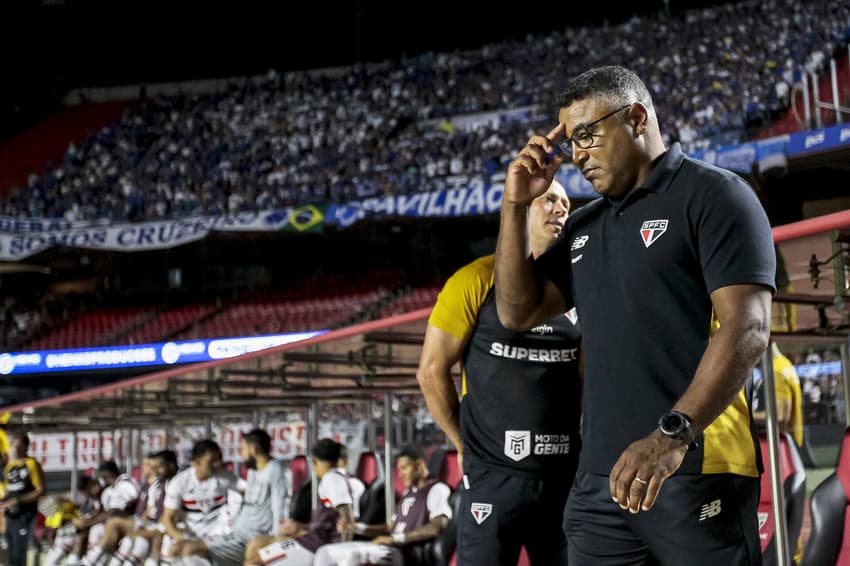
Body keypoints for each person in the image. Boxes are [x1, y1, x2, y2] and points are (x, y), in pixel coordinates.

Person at [494, 64, 775, 565]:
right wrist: (515, 205)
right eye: (570, 142)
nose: (577, 154)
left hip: (692, 466)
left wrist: (672, 435)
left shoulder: (716, 195)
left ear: (638, 118)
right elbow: (518, 311)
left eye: (587, 135)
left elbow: (747, 328)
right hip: (602, 483)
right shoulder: (585, 225)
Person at [418, 179, 581, 565]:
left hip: (563, 477)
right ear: (520, 209)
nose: (561, 209)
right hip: (493, 478)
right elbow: (431, 371)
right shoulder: (474, 279)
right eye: (549, 200)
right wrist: (462, 442)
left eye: (566, 204)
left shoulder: (578, 288)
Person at [313, 444, 453, 566]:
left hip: (405, 552)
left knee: (353, 556)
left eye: (404, 468)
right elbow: (389, 527)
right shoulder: (408, 493)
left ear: (420, 465)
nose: (400, 475)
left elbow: (436, 527)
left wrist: (395, 538)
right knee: (324, 553)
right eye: (399, 470)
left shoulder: (437, 489)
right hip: (389, 547)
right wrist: (357, 527)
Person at [178, 429, 289, 566]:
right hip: (236, 534)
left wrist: (274, 539)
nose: (241, 453)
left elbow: (279, 506)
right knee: (183, 549)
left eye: (243, 448)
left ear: (254, 449)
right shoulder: (252, 469)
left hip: (250, 540)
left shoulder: (274, 469)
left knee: (191, 549)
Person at [245, 438, 355, 566]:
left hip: (315, 547)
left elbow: (347, 520)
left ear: (314, 461)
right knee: (254, 550)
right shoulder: (331, 479)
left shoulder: (332, 479)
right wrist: (301, 528)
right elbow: (329, 522)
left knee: (254, 561)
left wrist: (341, 553)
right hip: (309, 540)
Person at [160, 439, 239, 560]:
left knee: (190, 551)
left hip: (219, 535)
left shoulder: (228, 478)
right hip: (190, 534)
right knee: (173, 550)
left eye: (218, 460)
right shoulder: (180, 482)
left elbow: (247, 494)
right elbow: (167, 518)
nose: (216, 465)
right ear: (196, 462)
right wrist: (179, 537)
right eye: (211, 461)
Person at [0, 431, 46, 566]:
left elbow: (40, 490)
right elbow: (8, 492)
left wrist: (18, 501)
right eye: (14, 445)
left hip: (26, 516)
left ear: (26, 447)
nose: (16, 448)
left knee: (22, 553)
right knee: (12, 554)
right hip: (11, 517)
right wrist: (4, 503)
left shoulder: (31, 464)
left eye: (20, 445)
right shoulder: (9, 467)